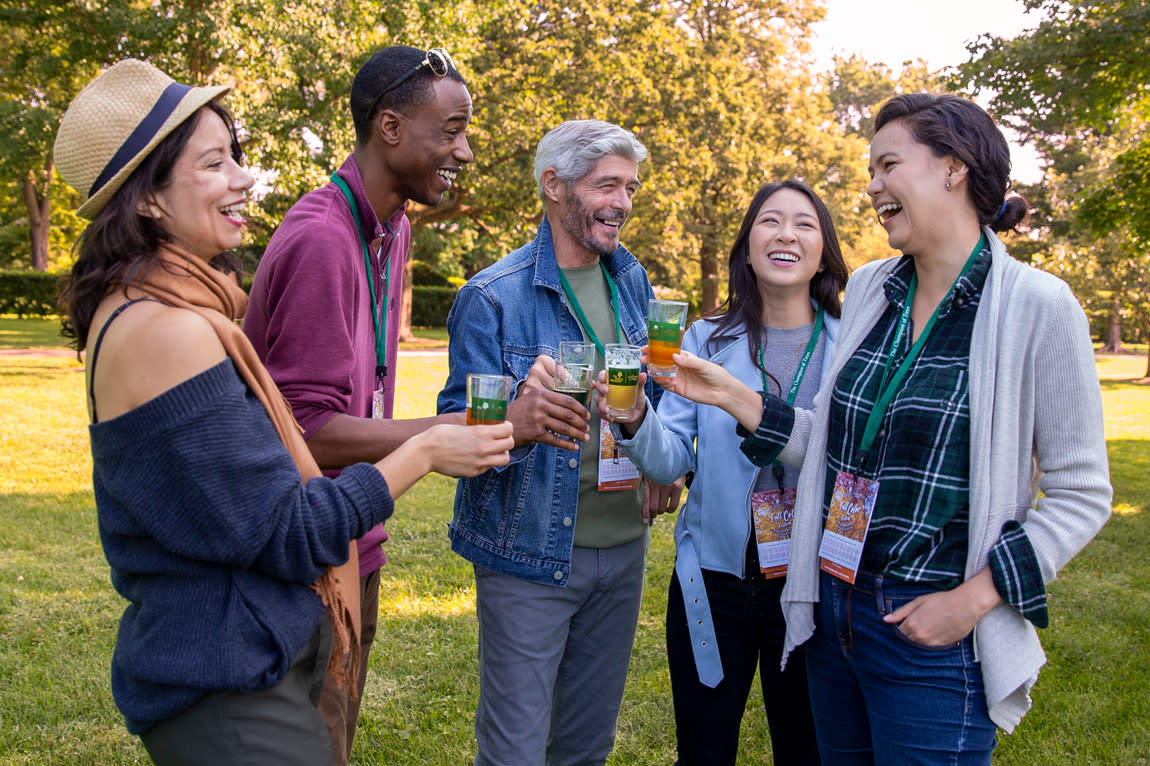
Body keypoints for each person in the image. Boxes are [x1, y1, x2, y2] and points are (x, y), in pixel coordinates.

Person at [54, 59, 513, 764]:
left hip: (247, 651)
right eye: (215, 164)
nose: (245, 180)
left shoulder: (166, 311)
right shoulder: (167, 331)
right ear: (147, 200)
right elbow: (290, 527)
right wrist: (426, 448)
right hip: (230, 677)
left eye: (235, 157)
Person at [660, 94, 1113, 764]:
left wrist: (972, 601)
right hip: (833, 612)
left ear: (954, 168)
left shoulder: (1038, 307)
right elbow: (835, 454)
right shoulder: (874, 289)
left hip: (933, 632)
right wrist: (736, 397)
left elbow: (1082, 494)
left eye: (888, 164)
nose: (871, 186)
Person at [241, 46, 583, 764]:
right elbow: (301, 430)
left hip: (352, 538)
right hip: (301, 553)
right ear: (390, 127)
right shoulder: (321, 239)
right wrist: (477, 427)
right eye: (451, 130)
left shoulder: (388, 228)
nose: (464, 149)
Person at [437, 119, 684, 766]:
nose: (623, 203)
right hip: (527, 556)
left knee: (585, 749)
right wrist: (517, 415)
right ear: (554, 185)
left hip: (623, 549)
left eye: (630, 188)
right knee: (516, 752)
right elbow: (453, 430)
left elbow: (651, 392)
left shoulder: (632, 281)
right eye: (607, 185)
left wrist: (652, 448)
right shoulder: (491, 297)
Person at [606, 179, 847, 765]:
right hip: (714, 582)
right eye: (770, 221)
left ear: (823, 251)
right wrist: (635, 418)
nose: (786, 233)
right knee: (704, 750)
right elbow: (672, 462)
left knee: (807, 748)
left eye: (804, 223)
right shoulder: (704, 341)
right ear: (746, 246)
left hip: (817, 585)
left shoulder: (853, 344)